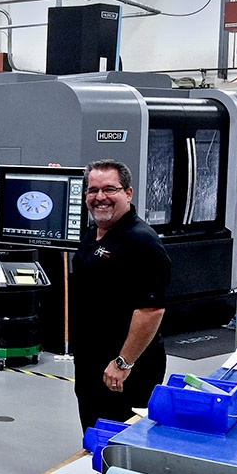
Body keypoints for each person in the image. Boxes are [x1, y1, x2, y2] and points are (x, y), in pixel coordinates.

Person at [70, 159, 171, 433]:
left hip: (125, 368)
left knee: (120, 441)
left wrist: (123, 362)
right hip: (92, 362)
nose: (99, 197)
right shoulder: (95, 234)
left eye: (109, 189)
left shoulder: (141, 241)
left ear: (128, 193)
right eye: (92, 190)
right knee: (94, 435)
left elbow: (151, 310)